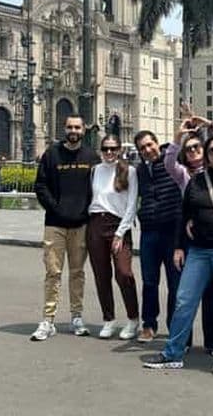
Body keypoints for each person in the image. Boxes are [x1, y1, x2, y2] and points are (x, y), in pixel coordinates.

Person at [144, 134, 213, 374]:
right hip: (197, 251)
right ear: (206, 153)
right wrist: (178, 246)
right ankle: (173, 353)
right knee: (184, 300)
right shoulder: (196, 181)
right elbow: (183, 215)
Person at [163, 114, 213, 355]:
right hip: (191, 239)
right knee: (185, 293)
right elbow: (169, 162)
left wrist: (211, 125)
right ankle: (183, 341)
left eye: (196, 147)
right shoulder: (185, 176)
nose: (193, 151)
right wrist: (177, 136)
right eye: (189, 149)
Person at [31, 114, 99, 341]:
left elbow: (98, 189)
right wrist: (56, 208)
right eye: (70, 126)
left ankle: (76, 317)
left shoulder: (92, 156)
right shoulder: (52, 154)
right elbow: (40, 185)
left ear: (84, 129)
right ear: (64, 128)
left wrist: (86, 211)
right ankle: (48, 319)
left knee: (77, 273)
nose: (73, 130)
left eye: (77, 127)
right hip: (55, 225)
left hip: (81, 224)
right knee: (53, 272)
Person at [87, 135, 140, 340]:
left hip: (118, 225)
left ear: (119, 150)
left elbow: (132, 204)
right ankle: (108, 319)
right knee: (101, 275)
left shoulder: (129, 171)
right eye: (105, 149)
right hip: (95, 225)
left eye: (113, 149)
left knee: (124, 273)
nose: (109, 153)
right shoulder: (95, 171)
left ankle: (133, 318)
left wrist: (120, 233)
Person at [134, 129, 183, 343]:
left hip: (172, 232)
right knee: (149, 281)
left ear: (157, 143)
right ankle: (149, 325)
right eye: (142, 148)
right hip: (149, 233)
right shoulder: (140, 171)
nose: (147, 150)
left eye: (149, 144)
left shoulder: (172, 162)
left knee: (175, 283)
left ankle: (175, 326)